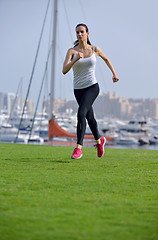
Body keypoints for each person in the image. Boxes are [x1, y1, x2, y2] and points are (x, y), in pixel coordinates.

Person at [62, 23, 119, 159]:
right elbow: (64, 70)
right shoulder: (72, 51)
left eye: (82, 32)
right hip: (78, 90)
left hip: (92, 87)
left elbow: (106, 59)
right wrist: (75, 59)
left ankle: (78, 148)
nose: (79, 34)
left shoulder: (94, 49)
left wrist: (114, 74)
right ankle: (100, 141)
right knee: (90, 117)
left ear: (88, 33)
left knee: (81, 113)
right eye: (77, 32)